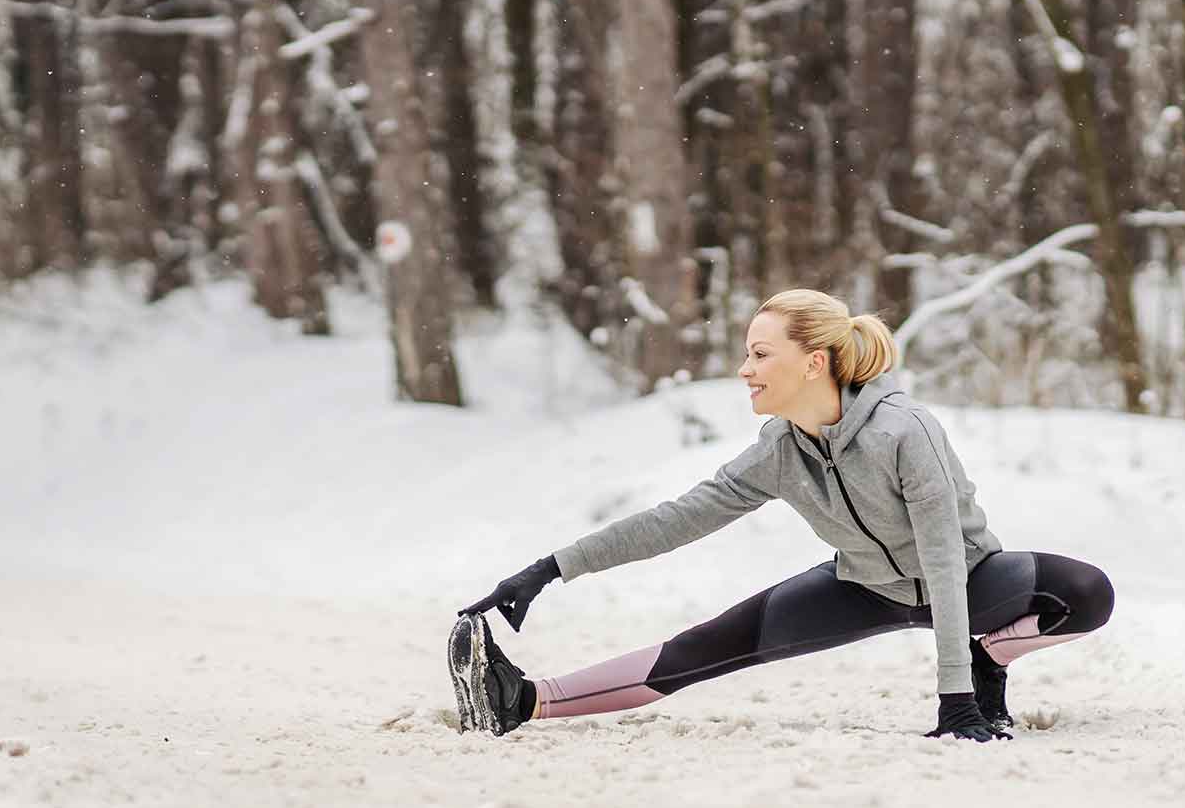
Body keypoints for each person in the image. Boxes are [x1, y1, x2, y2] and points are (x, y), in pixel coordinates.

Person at [450, 289, 1114, 741]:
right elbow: (675, 520)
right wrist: (548, 569)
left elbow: (942, 558)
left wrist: (957, 697)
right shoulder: (779, 450)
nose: (745, 369)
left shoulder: (905, 430)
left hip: (970, 583)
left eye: (760, 354)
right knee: (707, 646)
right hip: (861, 587)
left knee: (1085, 593)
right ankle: (520, 700)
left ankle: (987, 655)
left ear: (814, 362)